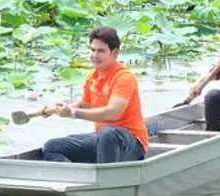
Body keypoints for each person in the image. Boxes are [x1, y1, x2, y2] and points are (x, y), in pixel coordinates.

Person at [40, 26, 148, 164]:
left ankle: (106, 179)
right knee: (52, 147)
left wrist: (72, 113)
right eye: (92, 50)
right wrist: (59, 109)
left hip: (131, 143)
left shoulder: (124, 77)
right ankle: (79, 181)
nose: (95, 56)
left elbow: (113, 113)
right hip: (103, 140)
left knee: (107, 134)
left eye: (101, 51)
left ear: (114, 53)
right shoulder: (93, 75)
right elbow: (84, 104)